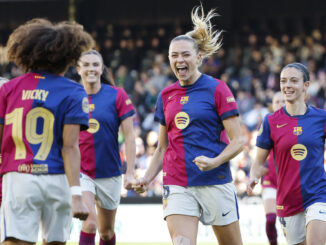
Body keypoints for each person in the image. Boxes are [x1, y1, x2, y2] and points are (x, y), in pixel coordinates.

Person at [133, 6, 244, 245]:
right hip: (177, 182)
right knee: (182, 242)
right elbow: (162, 148)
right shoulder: (165, 95)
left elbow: (238, 141)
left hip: (215, 180)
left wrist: (215, 161)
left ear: (199, 58)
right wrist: (147, 177)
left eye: (185, 54)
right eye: (174, 55)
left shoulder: (217, 89)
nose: (179, 60)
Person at [0, 18, 94, 245]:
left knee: (15, 241)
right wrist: (76, 194)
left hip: (18, 177)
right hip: (58, 180)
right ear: (67, 56)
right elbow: (70, 147)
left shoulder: (8, 89)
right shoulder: (73, 91)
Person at [248, 62, 326, 245]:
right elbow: (258, 161)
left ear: (306, 85)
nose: (287, 85)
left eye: (293, 80)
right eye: (283, 81)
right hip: (287, 200)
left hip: (318, 194)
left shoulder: (322, 118)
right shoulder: (270, 121)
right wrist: (254, 175)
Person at [77, 50, 136, 245]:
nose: (91, 69)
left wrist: (129, 173)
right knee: (90, 223)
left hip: (110, 172)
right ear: (79, 69)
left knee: (106, 232)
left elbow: (129, 136)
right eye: (86, 65)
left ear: (102, 69)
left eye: (95, 65)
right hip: (81, 171)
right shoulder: (72, 96)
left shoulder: (117, 95)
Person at [261, 91, 285, 245]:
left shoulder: (297, 124)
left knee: (290, 225)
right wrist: (257, 170)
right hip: (270, 179)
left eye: (283, 101)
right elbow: (257, 153)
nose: (281, 104)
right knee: (270, 219)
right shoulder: (267, 124)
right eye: (277, 101)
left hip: (289, 181)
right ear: (272, 105)